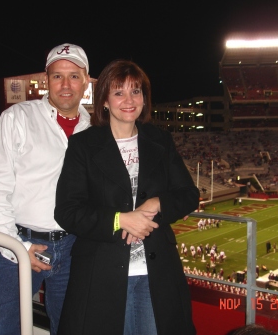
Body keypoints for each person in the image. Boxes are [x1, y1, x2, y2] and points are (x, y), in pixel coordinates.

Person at [54, 60, 199, 335]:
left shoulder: (160, 140)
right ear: (105, 101)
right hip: (102, 274)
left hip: (156, 273)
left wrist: (157, 203)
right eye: (119, 92)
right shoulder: (83, 146)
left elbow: (189, 194)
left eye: (136, 91)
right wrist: (121, 220)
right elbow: (68, 211)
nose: (129, 100)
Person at [0, 43, 91, 335]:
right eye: (57, 76)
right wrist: (17, 248)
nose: (66, 84)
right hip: (22, 242)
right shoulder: (18, 118)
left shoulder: (95, 126)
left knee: (75, 329)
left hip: (77, 245)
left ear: (85, 80)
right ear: (46, 80)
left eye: (74, 76)